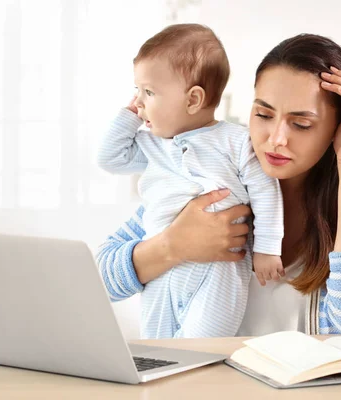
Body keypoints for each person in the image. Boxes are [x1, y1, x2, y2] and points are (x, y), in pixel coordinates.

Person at [97, 32, 341, 338]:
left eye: (301, 124)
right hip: (216, 382)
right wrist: (173, 246)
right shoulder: (218, 173)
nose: (276, 139)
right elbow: (100, 281)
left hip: (308, 385)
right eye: (263, 114)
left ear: (339, 125)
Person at [96, 23, 284, 339]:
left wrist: (267, 248)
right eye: (136, 91)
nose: (139, 101)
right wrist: (130, 114)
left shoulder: (235, 141)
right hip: (161, 274)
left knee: (202, 345)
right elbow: (109, 158)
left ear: (193, 99)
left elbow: (266, 190)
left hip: (219, 269)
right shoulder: (153, 144)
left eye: (149, 92)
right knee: (157, 348)